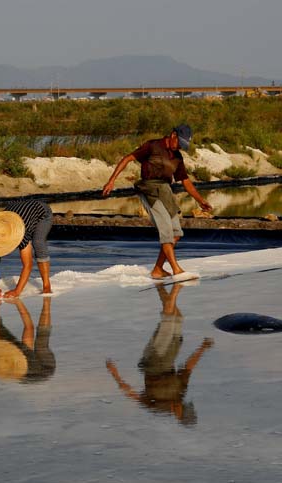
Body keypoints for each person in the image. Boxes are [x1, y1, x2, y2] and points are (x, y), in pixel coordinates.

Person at [101, 124, 213, 279]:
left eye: (183, 145)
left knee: (175, 233)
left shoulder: (177, 157)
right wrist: (111, 181)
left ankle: (158, 269)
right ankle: (176, 269)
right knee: (166, 230)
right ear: (173, 135)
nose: (179, 147)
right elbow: (128, 158)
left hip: (166, 191)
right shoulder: (153, 146)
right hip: (149, 189)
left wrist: (201, 201)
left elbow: (186, 182)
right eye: (179, 143)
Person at [105, 282, 214, 426]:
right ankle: (160, 286)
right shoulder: (180, 393)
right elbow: (188, 367)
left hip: (154, 360)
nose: (180, 406)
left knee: (169, 317)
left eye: (183, 409)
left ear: (178, 416)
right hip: (170, 355)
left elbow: (133, 395)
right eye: (185, 406)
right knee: (177, 317)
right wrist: (202, 347)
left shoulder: (157, 406)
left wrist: (115, 374)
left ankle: (175, 287)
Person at [0, 198, 53, 299]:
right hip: (15, 209)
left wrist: (17, 291)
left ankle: (46, 285)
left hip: (41, 211)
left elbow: (28, 265)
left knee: (38, 243)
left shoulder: (22, 236)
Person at [0, 297, 55, 383]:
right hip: (45, 367)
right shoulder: (24, 358)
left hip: (21, 372)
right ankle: (47, 302)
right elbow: (29, 327)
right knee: (41, 344)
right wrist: (18, 303)